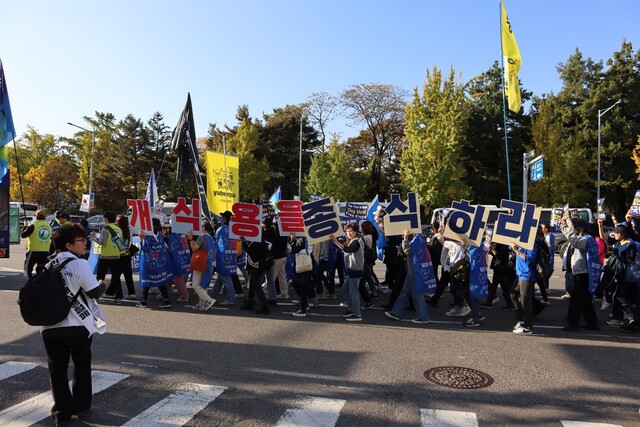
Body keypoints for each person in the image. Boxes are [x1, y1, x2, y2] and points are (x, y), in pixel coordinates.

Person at [41, 224, 109, 426]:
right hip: (78, 325)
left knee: (57, 371)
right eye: (81, 240)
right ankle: (81, 405)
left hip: (51, 327)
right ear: (69, 245)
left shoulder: (48, 265)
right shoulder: (79, 264)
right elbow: (93, 292)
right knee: (81, 365)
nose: (85, 242)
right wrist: (104, 285)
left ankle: (61, 412)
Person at [561, 218, 600, 331]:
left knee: (576, 299)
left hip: (583, 273)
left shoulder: (586, 239)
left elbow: (575, 242)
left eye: (577, 228)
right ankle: (592, 322)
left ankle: (573, 323)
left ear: (581, 229)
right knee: (585, 300)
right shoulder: (590, 239)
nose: (576, 230)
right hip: (586, 272)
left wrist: (565, 227)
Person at [384, 230, 431, 324]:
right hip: (414, 269)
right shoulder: (419, 238)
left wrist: (405, 239)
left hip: (414, 270)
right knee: (405, 293)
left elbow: (408, 251)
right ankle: (396, 313)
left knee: (417, 295)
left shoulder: (416, 239)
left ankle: (423, 317)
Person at [330, 223, 365, 322]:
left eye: (351, 231)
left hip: (355, 270)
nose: (348, 233)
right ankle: (351, 308)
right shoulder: (355, 240)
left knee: (354, 293)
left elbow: (348, 249)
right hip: (353, 270)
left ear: (356, 232)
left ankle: (357, 314)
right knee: (343, 290)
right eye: (347, 231)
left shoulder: (356, 241)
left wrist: (335, 241)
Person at [92, 211, 124, 304]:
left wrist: (93, 237)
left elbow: (103, 242)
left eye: (103, 218)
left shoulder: (105, 229)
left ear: (106, 219)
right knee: (116, 278)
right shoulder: (118, 229)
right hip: (116, 256)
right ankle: (118, 297)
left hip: (105, 256)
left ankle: (96, 295)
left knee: (100, 276)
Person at [186, 221, 216, 311]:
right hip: (209, 262)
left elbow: (194, 249)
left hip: (200, 262)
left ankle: (208, 300)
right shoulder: (210, 238)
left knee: (195, 284)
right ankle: (201, 304)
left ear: (204, 228)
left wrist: (190, 239)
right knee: (203, 284)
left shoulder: (201, 237)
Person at [240, 232, 272, 315]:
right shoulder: (261, 241)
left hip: (256, 267)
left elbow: (253, 254)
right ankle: (250, 303)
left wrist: (244, 244)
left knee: (257, 288)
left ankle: (264, 307)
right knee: (252, 287)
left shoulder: (258, 242)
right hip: (256, 267)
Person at [510, 240, 538, 335]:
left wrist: (517, 250)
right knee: (513, 295)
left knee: (525, 301)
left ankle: (528, 326)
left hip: (527, 275)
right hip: (520, 275)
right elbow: (510, 247)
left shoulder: (532, 244)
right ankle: (521, 321)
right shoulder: (521, 241)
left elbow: (530, 259)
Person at [21, 209, 52, 278]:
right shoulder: (49, 227)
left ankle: (29, 283)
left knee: (28, 269)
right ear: (45, 217)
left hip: (34, 250)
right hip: (45, 251)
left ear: (36, 216)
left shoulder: (33, 226)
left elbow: (23, 235)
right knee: (41, 269)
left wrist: (25, 227)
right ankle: (39, 283)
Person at [290, 233, 315, 317]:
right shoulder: (309, 237)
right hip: (307, 265)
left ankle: (303, 308)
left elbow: (294, 250)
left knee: (300, 286)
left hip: (302, 266)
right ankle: (306, 304)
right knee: (302, 285)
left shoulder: (302, 239)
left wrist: (292, 240)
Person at [116, 215, 136, 300]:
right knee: (128, 275)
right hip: (127, 255)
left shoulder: (118, 232)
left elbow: (118, 244)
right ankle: (132, 292)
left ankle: (111, 292)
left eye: (117, 221)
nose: (115, 222)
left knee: (116, 275)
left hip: (119, 256)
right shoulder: (128, 231)